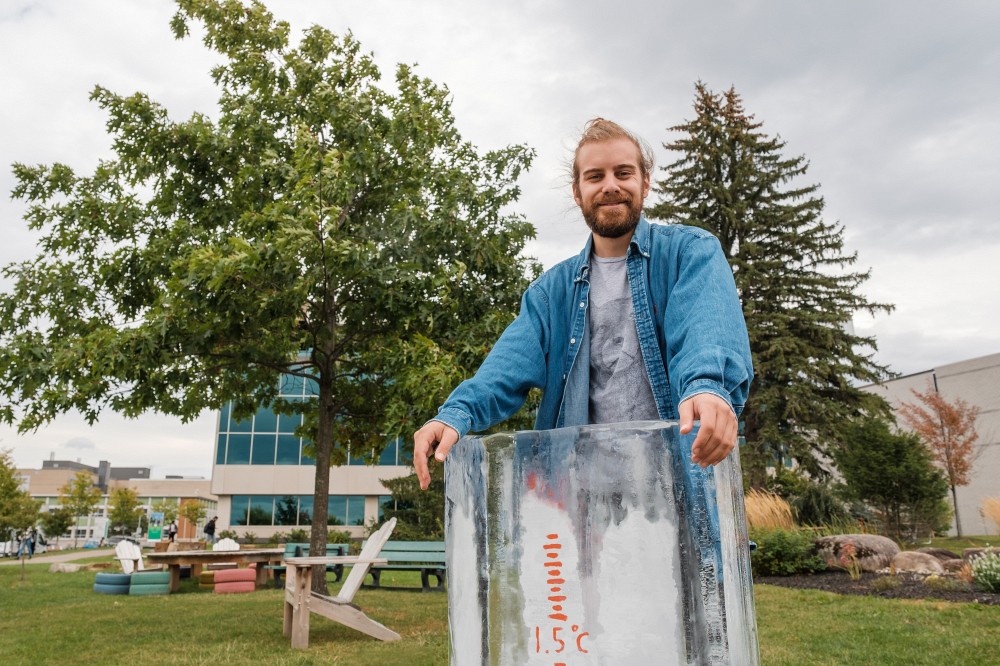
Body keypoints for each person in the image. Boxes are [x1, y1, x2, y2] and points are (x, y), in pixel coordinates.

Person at [413, 118, 753, 490]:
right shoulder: (551, 293)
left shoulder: (691, 253)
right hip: (582, 505)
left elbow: (706, 333)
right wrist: (453, 416)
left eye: (623, 173)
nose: (610, 186)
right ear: (577, 192)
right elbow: (501, 372)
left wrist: (706, 387)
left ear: (645, 182)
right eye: (595, 177)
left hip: (680, 491)